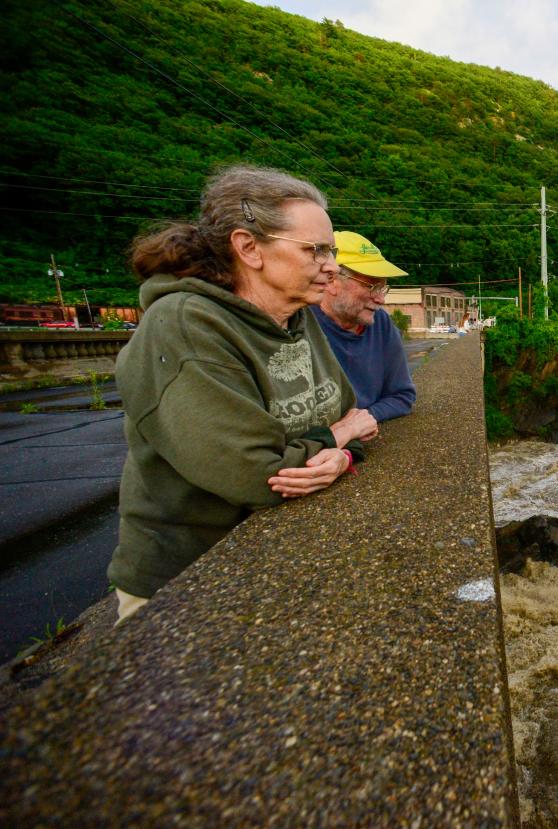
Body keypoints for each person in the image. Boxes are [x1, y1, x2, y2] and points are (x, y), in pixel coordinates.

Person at [107, 165, 377, 622]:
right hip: (185, 585)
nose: (331, 266)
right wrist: (334, 439)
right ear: (249, 247)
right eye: (316, 251)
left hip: (276, 558)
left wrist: (345, 452)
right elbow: (258, 474)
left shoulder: (296, 317)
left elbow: (353, 417)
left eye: (329, 251)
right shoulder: (184, 326)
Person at [310, 231, 416, 422]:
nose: (381, 299)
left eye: (383, 287)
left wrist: (360, 421)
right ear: (332, 280)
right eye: (371, 286)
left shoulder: (381, 324)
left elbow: (402, 396)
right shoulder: (300, 324)